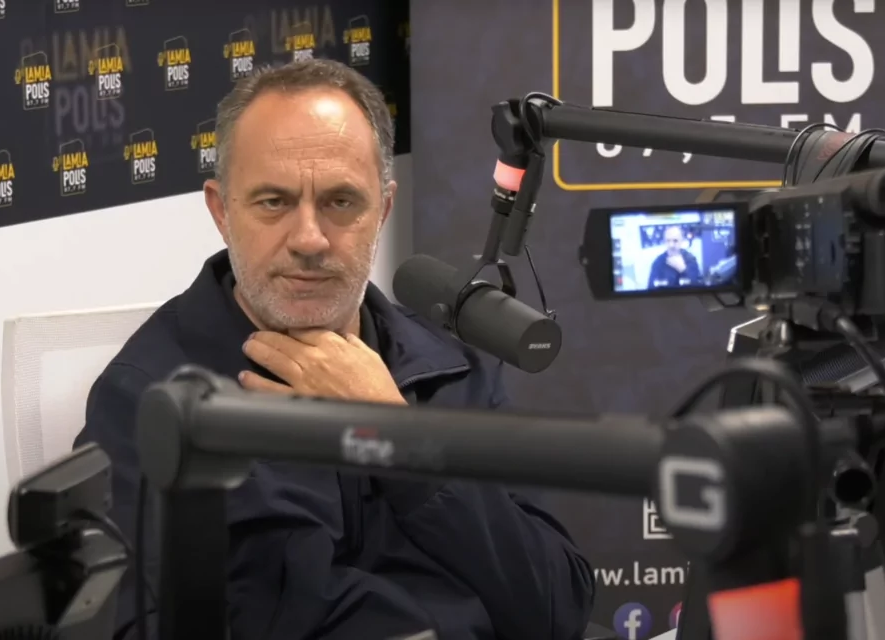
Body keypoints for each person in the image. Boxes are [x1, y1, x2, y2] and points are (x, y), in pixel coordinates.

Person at [75, 58, 594, 640]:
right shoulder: (147, 396)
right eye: (273, 202)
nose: (309, 239)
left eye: (341, 202)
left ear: (383, 210)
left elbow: (558, 609)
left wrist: (399, 440)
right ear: (222, 211)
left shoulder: (451, 367)